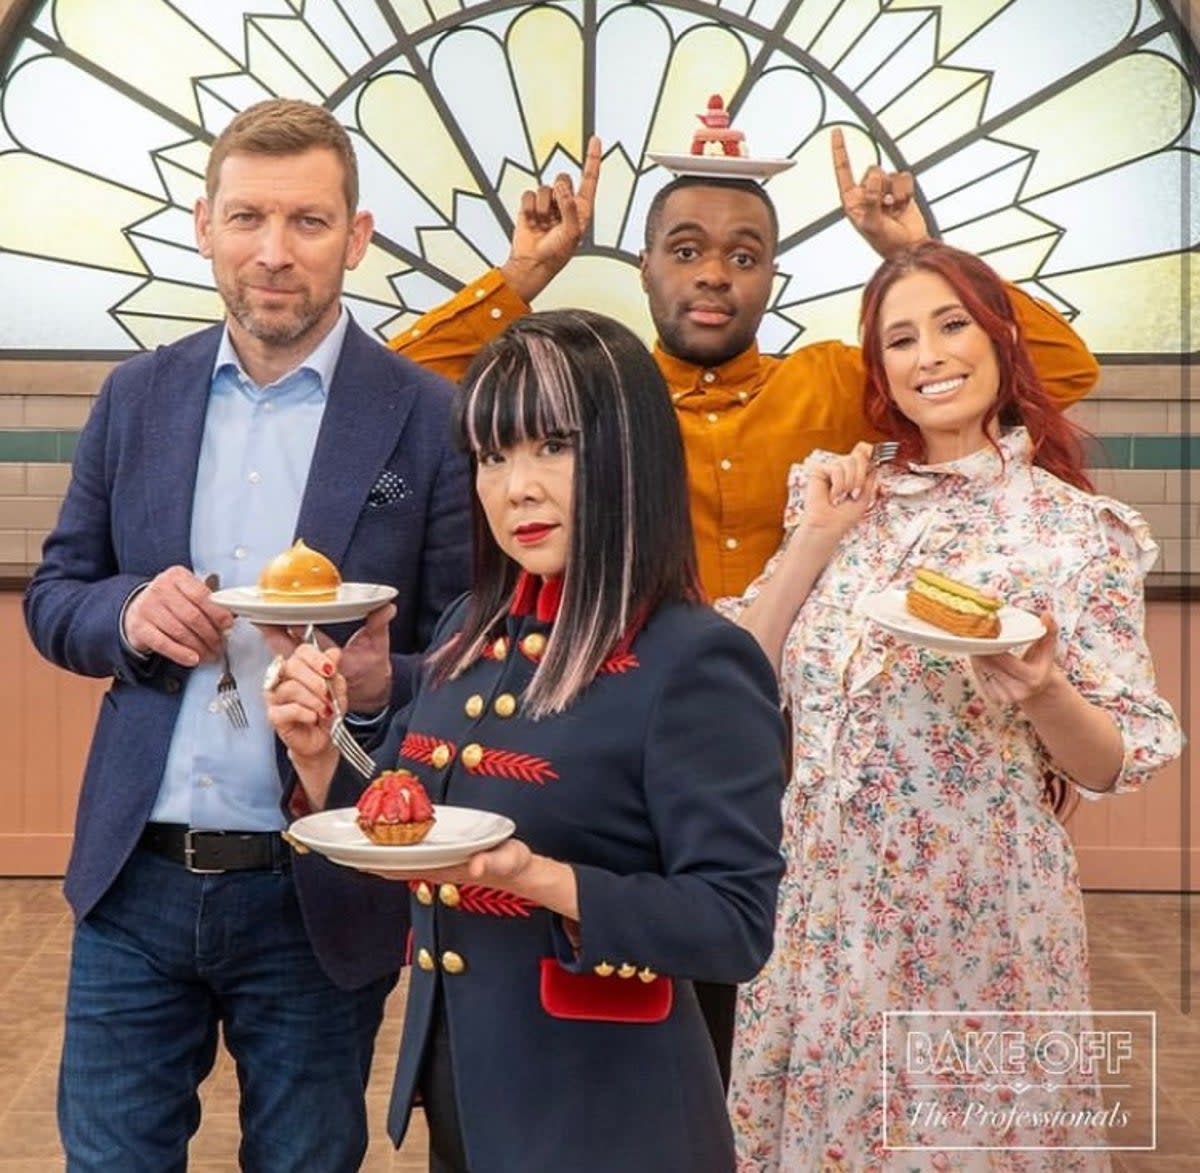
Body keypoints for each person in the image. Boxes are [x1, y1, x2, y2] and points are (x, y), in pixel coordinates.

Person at [387, 126, 1101, 1089]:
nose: (714, 274)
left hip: (817, 791)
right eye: (684, 250)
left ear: (775, 276)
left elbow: (1051, 370)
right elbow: (409, 393)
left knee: (794, 1071)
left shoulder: (833, 386)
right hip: (629, 781)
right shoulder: (604, 409)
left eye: (743, 254)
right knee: (656, 1054)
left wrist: (913, 253)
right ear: (642, 268)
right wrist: (522, 273)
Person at [24, 98, 471, 1171]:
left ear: (356, 237)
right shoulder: (136, 397)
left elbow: (468, 641)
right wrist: (126, 615)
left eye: (309, 223)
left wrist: (378, 682)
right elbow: (58, 593)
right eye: (248, 219)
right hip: (134, 877)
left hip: (320, 881)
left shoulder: (429, 415)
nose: (274, 254)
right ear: (204, 224)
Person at [265, 309, 788, 1173]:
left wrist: (539, 878)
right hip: (466, 1090)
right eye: (492, 455)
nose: (517, 488)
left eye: (553, 446)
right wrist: (322, 754)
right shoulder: (472, 630)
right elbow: (405, 833)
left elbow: (735, 926)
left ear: (632, 455)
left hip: (609, 1117)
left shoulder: (696, 659)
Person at [720, 240, 1182, 1171]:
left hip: (978, 923)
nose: (928, 354)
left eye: (951, 324)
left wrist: (1045, 688)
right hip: (819, 908)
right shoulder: (845, 498)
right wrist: (814, 538)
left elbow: (1116, 755)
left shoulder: (1071, 530)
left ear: (1003, 337)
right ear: (879, 368)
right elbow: (735, 674)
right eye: (899, 338)